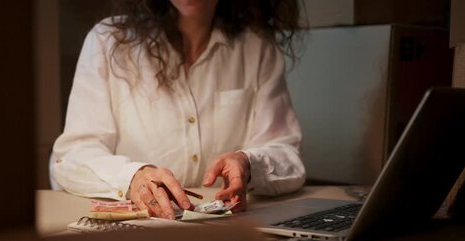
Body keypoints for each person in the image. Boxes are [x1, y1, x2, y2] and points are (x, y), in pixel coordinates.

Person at [50, 0, 306, 220]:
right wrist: (132, 177)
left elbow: (286, 154)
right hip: (136, 237)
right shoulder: (108, 41)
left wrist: (249, 164)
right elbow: (71, 157)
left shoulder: (257, 48)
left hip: (229, 233)